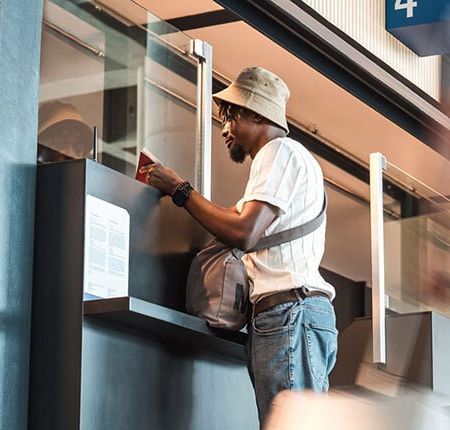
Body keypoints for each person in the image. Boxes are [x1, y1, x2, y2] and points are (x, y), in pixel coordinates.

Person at [142, 66, 337, 424]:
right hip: (294, 316)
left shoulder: (278, 152)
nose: (224, 129)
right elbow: (234, 219)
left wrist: (179, 190)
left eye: (230, 116)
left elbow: (243, 232)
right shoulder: (290, 160)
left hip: (289, 315)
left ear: (256, 113)